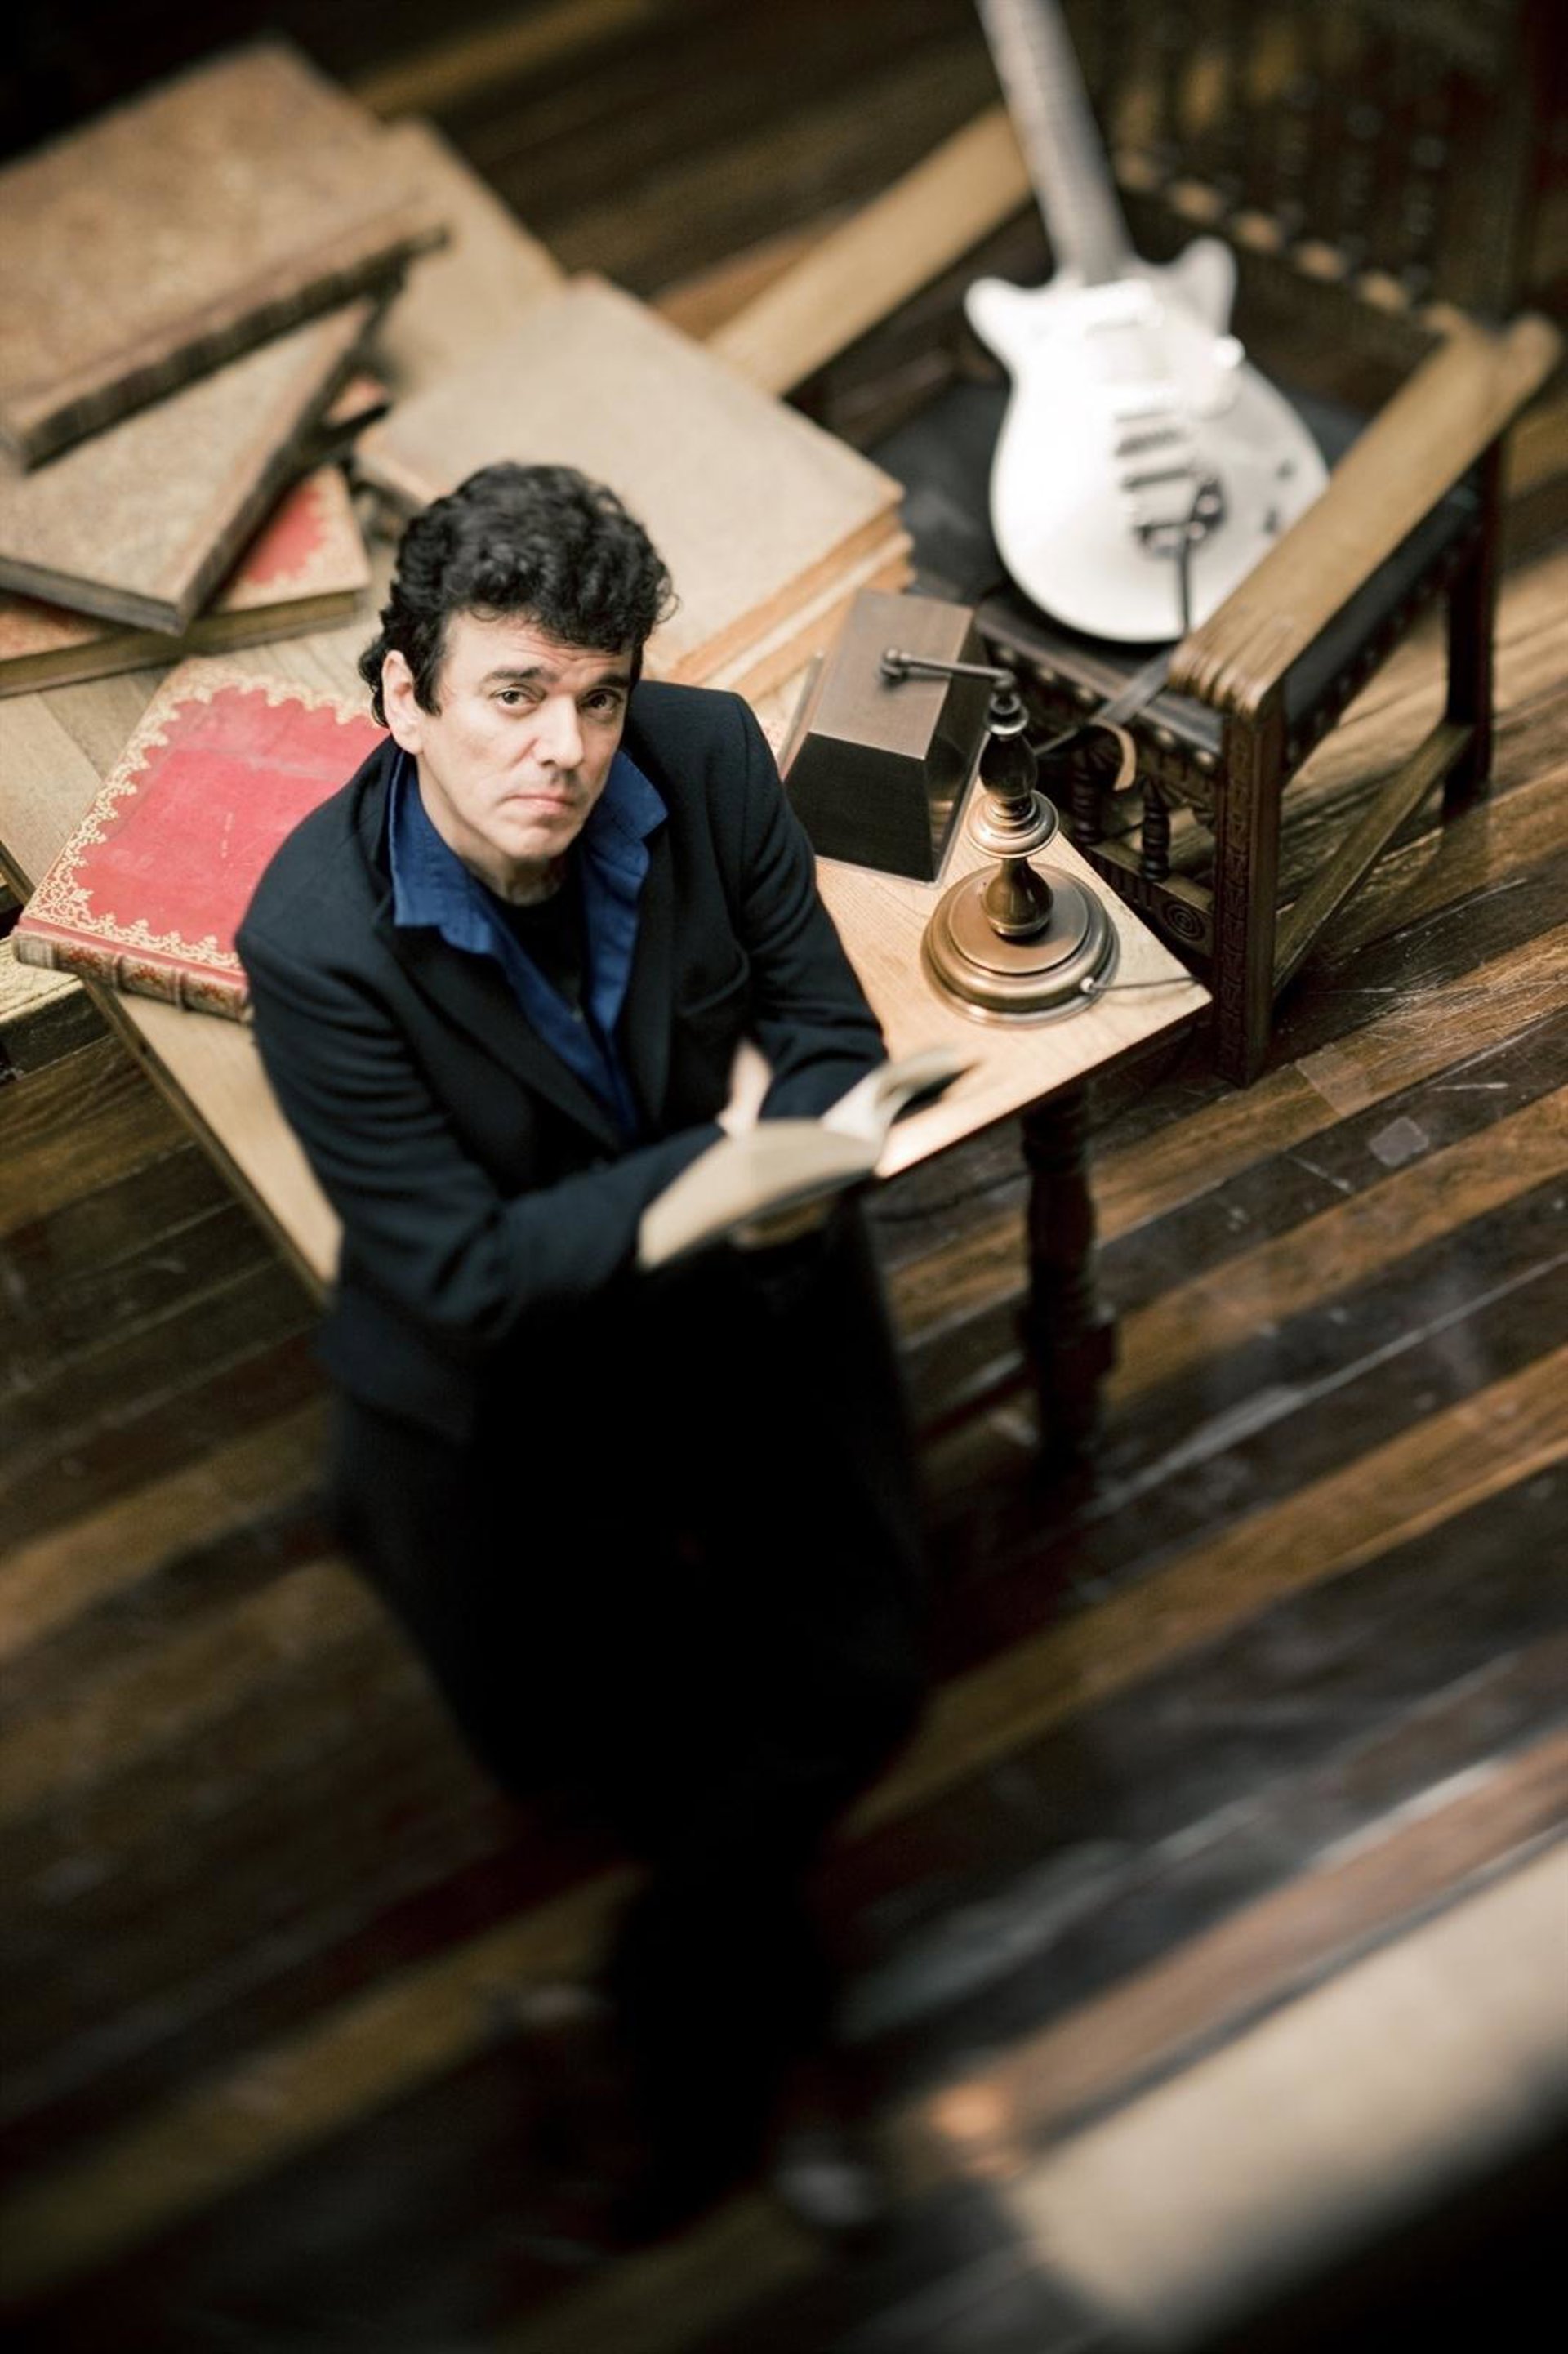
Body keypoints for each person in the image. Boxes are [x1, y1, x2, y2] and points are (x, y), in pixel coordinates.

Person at [238, 461, 928, 2241]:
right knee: (616, 1741)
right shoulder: (311, 942)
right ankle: (749, 2059)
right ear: (406, 699)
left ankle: (643, 2012)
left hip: (740, 1286)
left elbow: (828, 1037)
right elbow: (459, 1274)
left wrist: (785, 1169)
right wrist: (719, 1164)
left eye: (598, 697)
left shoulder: (705, 759)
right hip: (511, 1373)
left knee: (864, 1673)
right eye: (515, 694)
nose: (564, 747)